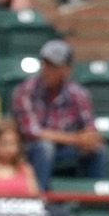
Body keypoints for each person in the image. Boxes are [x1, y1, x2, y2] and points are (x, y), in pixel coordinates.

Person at [10, 37, 104, 188]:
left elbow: (90, 130)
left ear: (66, 69)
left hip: (65, 149)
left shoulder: (78, 94)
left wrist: (89, 139)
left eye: (53, 66)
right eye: (45, 64)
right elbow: (32, 132)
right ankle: (40, 200)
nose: (47, 71)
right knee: (44, 147)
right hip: (29, 149)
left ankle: (93, 204)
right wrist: (76, 139)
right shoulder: (25, 90)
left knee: (97, 150)